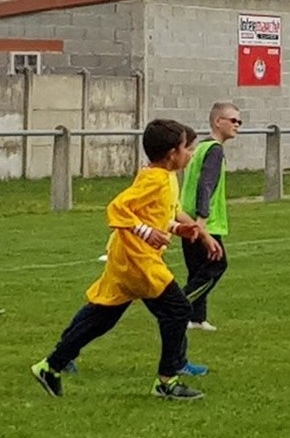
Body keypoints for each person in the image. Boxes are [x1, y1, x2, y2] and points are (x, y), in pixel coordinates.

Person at [32, 119, 220, 399]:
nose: (189, 154)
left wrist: (178, 228)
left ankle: (51, 365)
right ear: (171, 153)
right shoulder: (154, 178)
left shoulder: (165, 177)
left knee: (102, 316)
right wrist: (147, 233)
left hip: (128, 258)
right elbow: (117, 208)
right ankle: (167, 381)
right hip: (138, 259)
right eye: (186, 148)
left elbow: (152, 215)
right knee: (178, 310)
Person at [180, 102, 240, 332]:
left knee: (197, 270)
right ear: (218, 122)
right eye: (233, 120)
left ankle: (196, 318)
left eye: (239, 121)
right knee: (216, 265)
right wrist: (202, 221)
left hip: (185, 217)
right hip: (203, 222)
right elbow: (206, 185)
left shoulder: (200, 148)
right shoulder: (214, 149)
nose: (237, 126)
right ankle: (179, 307)